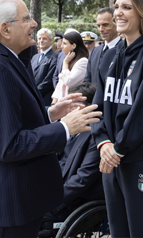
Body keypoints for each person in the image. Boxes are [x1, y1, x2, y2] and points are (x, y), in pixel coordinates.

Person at [0, 0, 102, 238]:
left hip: (12, 198)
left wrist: (50, 113)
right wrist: (65, 127)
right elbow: (9, 145)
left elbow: (7, 116)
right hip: (11, 203)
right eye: (26, 18)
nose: (34, 23)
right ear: (4, 29)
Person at [92, 0, 143, 238]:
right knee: (118, 230)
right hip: (110, 158)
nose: (118, 13)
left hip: (139, 159)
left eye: (127, 7)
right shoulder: (109, 56)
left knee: (142, 230)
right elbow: (98, 106)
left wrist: (118, 148)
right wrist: (103, 142)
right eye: (116, 7)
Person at [38, 82, 104, 237]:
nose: (70, 110)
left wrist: (55, 202)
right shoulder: (68, 129)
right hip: (57, 188)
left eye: (76, 105)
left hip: (74, 200)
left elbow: (83, 179)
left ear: (91, 107)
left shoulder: (96, 135)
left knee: (37, 218)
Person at [83, 7, 120, 84]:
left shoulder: (125, 49)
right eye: (98, 25)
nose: (101, 29)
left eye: (105, 25)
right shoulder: (95, 51)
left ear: (116, 23)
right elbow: (87, 81)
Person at [52, 31, 88, 104]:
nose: (61, 46)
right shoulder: (69, 60)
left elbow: (68, 81)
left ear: (73, 46)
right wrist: (54, 102)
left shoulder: (83, 61)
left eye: (65, 43)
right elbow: (60, 83)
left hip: (73, 104)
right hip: (62, 102)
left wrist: (65, 63)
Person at [31, 28, 58, 106]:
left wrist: (35, 92)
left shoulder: (55, 57)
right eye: (39, 38)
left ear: (50, 40)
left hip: (45, 99)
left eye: (44, 38)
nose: (41, 41)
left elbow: (49, 80)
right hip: (33, 96)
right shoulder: (35, 57)